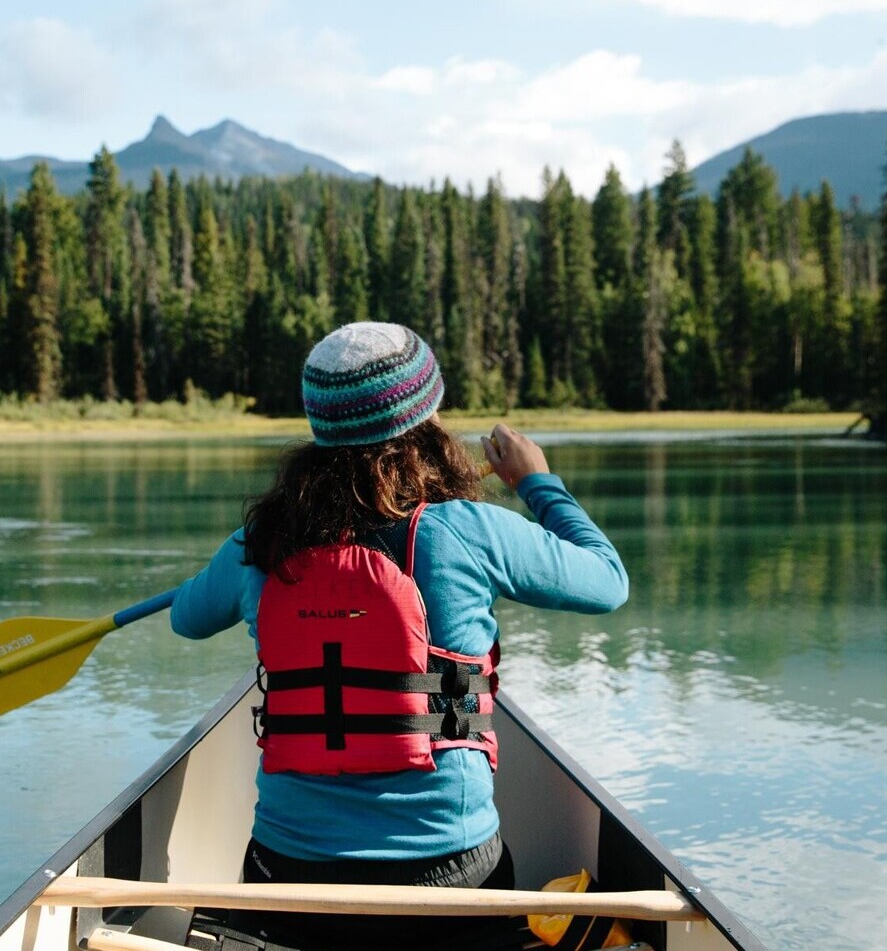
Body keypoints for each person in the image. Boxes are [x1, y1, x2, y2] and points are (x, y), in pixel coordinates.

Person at [169, 321, 628, 950]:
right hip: (451, 877)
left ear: (318, 428)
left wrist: (234, 564)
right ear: (428, 421)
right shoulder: (471, 530)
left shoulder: (260, 544)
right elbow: (609, 582)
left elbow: (185, 619)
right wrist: (535, 484)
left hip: (289, 877)